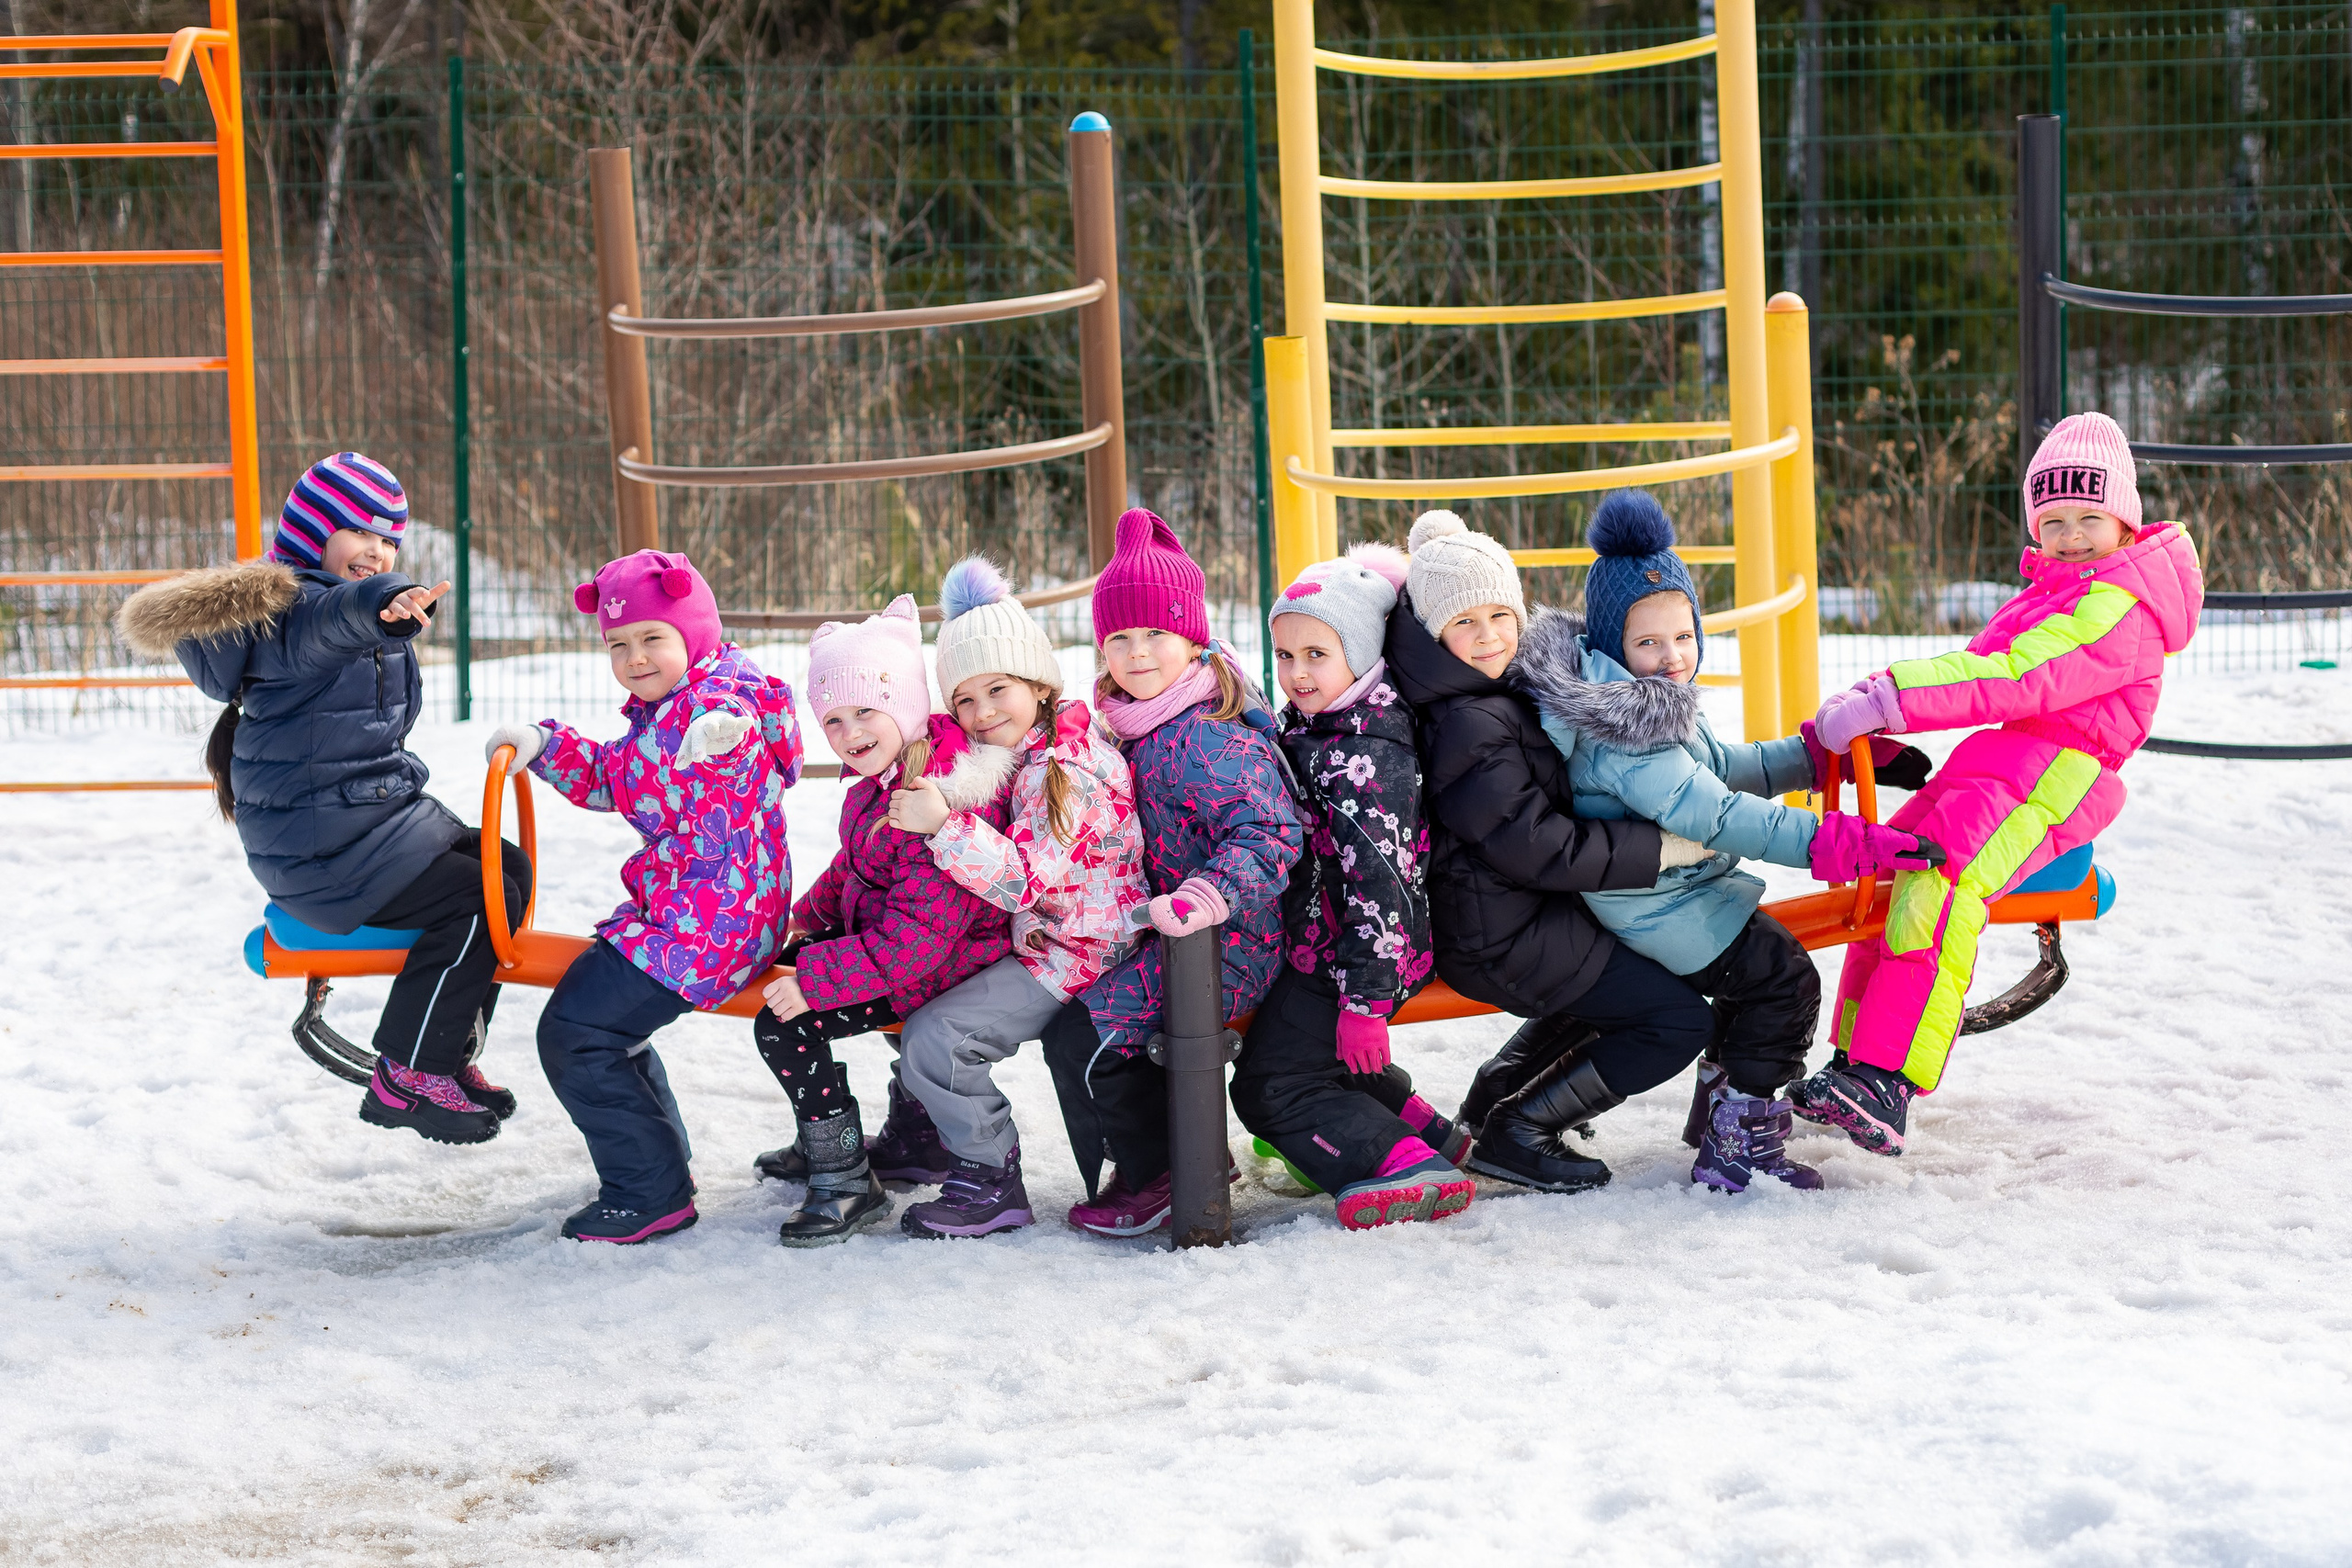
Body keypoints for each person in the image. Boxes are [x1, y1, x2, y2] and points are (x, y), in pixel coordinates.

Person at [1791, 412, 2203, 1155]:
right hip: (2001, 759)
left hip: (2062, 768)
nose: (2071, 535)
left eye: (2089, 518)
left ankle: (1889, 1078)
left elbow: (2012, 675)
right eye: (2053, 521)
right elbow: (1977, 668)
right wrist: (1885, 727)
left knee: (1942, 880)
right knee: (1893, 864)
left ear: (2125, 522)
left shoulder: (2119, 605)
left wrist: (1890, 693)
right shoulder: (2051, 589)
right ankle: (1855, 1058)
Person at [1514, 491, 1939, 1191]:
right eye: (1647, 642)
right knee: (1782, 980)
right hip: (1656, 906)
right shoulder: (1625, 733)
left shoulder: (1644, 702)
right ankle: (1739, 1142)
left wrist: (1815, 758)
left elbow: (1724, 767)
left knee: (1761, 976)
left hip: (1679, 892)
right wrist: (1836, 841)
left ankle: (1722, 1114)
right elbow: (1718, 815)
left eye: (1682, 636)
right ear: (1611, 644)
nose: (1671, 656)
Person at [120, 453, 529, 1145]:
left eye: (388, 537)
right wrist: (384, 604)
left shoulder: (324, 610)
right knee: (473, 899)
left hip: (354, 825)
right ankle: (408, 1072)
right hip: (324, 852)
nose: (374, 547)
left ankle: (444, 1050)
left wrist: (385, 612)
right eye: (356, 531)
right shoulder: (294, 612)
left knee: (506, 869)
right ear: (313, 535)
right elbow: (338, 618)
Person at [1385, 508, 1725, 1194]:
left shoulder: (1486, 689)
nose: (1488, 637)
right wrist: (1658, 848)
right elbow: (1539, 845)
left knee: (1640, 985)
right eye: (1464, 623)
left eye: (1500, 615)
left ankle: (1499, 1092)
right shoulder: (1467, 721)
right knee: (1678, 1017)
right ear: (1431, 631)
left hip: (1510, 913)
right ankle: (1519, 1127)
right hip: (1498, 932)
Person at [493, 549, 803, 1243]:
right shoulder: (671, 708)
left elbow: (739, 759)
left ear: (692, 633)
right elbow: (619, 776)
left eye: (652, 638)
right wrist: (546, 745)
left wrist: (726, 746)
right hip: (700, 913)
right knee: (602, 1025)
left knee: (576, 1034)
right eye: (618, 644)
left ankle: (649, 1188)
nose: (635, 657)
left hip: (708, 927)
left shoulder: (716, 709)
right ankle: (660, 1168)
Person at [1043, 508, 1304, 1238]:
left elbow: (1271, 831)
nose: (1137, 651)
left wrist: (1212, 891)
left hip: (1227, 943)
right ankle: (1175, 1156)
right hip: (1158, 930)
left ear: (1192, 635)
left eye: (1155, 632)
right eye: (1119, 638)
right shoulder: (1129, 722)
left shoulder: (1207, 734)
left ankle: (1164, 1171)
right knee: (1069, 1015)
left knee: (1085, 1032)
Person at [878, 557, 1148, 1239]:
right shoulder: (1037, 752)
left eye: (996, 688)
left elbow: (1026, 875)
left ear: (1037, 680)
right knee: (919, 997)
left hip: (1083, 950)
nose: (980, 711)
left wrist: (944, 823)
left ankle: (989, 1176)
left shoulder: (1064, 767)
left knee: (938, 1036)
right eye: (963, 700)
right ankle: (927, 1136)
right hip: (1057, 935)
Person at [755, 595, 1017, 1245]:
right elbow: (857, 868)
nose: (849, 733)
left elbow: (917, 942)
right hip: (900, 948)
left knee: (785, 1024)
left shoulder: (938, 793)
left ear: (903, 703)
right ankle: (915, 1138)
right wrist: (804, 919)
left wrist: (816, 978)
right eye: (834, 719)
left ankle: (843, 1174)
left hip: (946, 965)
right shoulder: (885, 778)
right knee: (791, 976)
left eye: (865, 710)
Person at [1231, 544, 1475, 1230]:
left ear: (1361, 654)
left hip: (1357, 959)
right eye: (1285, 655)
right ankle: (1422, 1127)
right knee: (1297, 1052)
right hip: (1326, 949)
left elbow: (1382, 884)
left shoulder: (1367, 757)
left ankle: (1399, 1161)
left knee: (1271, 1085)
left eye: (1317, 654)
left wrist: (1365, 1001)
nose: (1297, 673)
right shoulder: (1329, 724)